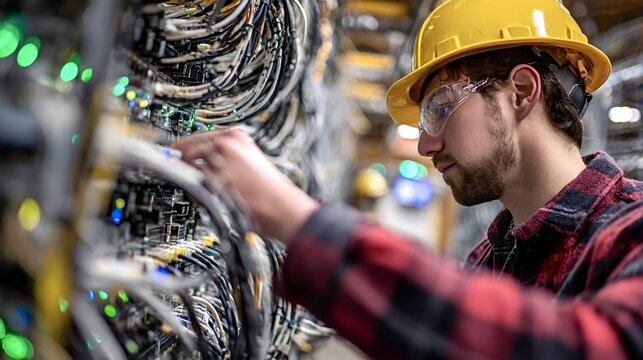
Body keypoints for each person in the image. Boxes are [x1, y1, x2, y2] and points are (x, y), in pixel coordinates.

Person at [176, 0, 643, 358]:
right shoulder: (491, 260)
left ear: (520, 92)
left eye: (440, 109)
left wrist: (299, 222)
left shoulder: (630, 233)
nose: (425, 145)